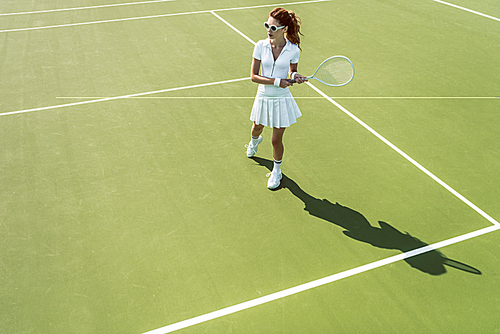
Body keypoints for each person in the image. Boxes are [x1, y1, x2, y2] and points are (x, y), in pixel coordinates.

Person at [245, 7, 307, 189]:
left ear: (284, 29)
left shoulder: (293, 50)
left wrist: (295, 76)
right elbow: (254, 76)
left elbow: (292, 71)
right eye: (267, 26)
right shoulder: (260, 46)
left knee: (275, 139)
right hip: (264, 96)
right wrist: (277, 81)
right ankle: (254, 141)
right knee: (257, 128)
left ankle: (276, 171)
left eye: (273, 28)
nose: (268, 30)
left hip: (281, 99)